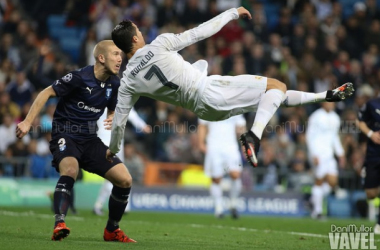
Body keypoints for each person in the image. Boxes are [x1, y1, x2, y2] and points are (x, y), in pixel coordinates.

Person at [107, 6, 354, 167]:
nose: (142, 32)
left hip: (204, 110)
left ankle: (325, 95)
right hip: (210, 90)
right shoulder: (159, 44)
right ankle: (254, 136)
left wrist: (113, 150)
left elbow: (119, 120)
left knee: (273, 94)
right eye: (139, 30)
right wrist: (232, 13)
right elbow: (199, 32)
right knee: (276, 85)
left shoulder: (128, 80)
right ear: (136, 38)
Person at [16, 40, 136, 243]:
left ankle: (112, 230)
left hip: (90, 139)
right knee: (71, 170)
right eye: (115, 54)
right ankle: (59, 223)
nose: (120, 58)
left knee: (125, 180)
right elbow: (46, 92)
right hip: (65, 134)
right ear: (101, 58)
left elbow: (112, 109)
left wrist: (112, 115)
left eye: (120, 55)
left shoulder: (114, 83)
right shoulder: (79, 77)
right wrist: (28, 121)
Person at [94, 107, 150, 216]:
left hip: (115, 142)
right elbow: (132, 114)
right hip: (107, 143)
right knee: (115, 176)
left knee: (118, 175)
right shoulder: (117, 97)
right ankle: (120, 205)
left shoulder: (103, 96)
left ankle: (104, 205)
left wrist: (142, 126)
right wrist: (143, 126)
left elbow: (131, 113)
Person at [198, 115, 245, 219]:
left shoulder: (235, 104)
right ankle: (218, 209)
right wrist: (201, 143)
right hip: (213, 146)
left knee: (235, 174)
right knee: (216, 178)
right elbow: (202, 125)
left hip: (231, 146)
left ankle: (233, 204)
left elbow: (240, 126)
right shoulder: (209, 102)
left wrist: (244, 145)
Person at [306, 102, 346, 219]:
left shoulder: (336, 117)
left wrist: (341, 153)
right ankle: (317, 212)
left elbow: (335, 137)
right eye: (329, 101)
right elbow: (309, 135)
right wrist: (314, 154)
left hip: (329, 154)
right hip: (318, 153)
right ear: (323, 102)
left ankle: (313, 199)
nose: (332, 104)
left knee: (332, 182)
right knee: (319, 180)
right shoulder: (316, 116)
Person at [357, 96, 380, 233]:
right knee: (370, 193)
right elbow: (359, 121)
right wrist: (371, 134)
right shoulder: (372, 104)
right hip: (373, 155)